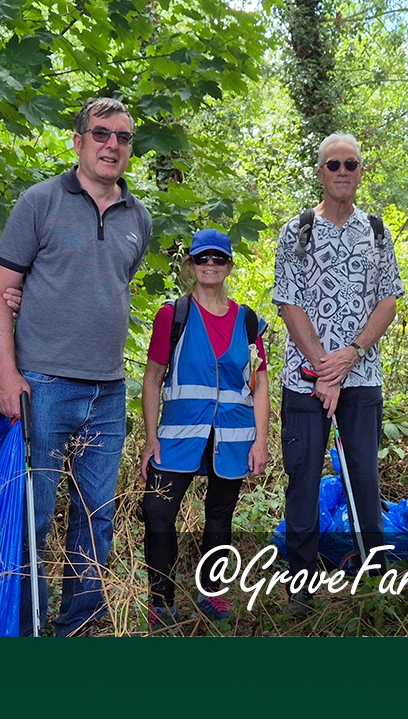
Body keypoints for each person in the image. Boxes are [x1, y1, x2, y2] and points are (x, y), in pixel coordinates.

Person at [0, 97, 151, 637]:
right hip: (43, 385)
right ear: (78, 141)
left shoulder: (138, 218)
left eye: (122, 137)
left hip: (108, 389)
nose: (112, 145)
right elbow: (0, 291)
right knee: (33, 515)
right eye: (100, 134)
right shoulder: (40, 202)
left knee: (96, 514)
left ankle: (80, 624)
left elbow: (108, 286)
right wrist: (8, 376)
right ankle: (26, 625)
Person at [273, 133, 404, 612]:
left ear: (361, 171)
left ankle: (376, 576)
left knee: (365, 478)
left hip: (363, 377)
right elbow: (288, 301)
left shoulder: (377, 230)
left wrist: (351, 354)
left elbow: (388, 300)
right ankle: (301, 587)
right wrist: (323, 371)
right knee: (303, 478)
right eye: (333, 164)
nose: (342, 171)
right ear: (320, 171)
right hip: (303, 382)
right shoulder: (297, 230)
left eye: (351, 163)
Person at [140, 228, 269, 629]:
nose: (209, 265)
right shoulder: (172, 315)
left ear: (229, 266)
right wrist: (149, 438)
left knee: (219, 517)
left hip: (233, 437)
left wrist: (261, 440)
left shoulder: (248, 320)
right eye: (202, 259)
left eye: (217, 259)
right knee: (157, 512)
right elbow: (153, 377)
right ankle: (161, 601)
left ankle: (211, 592)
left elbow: (260, 382)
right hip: (178, 436)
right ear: (191, 265)